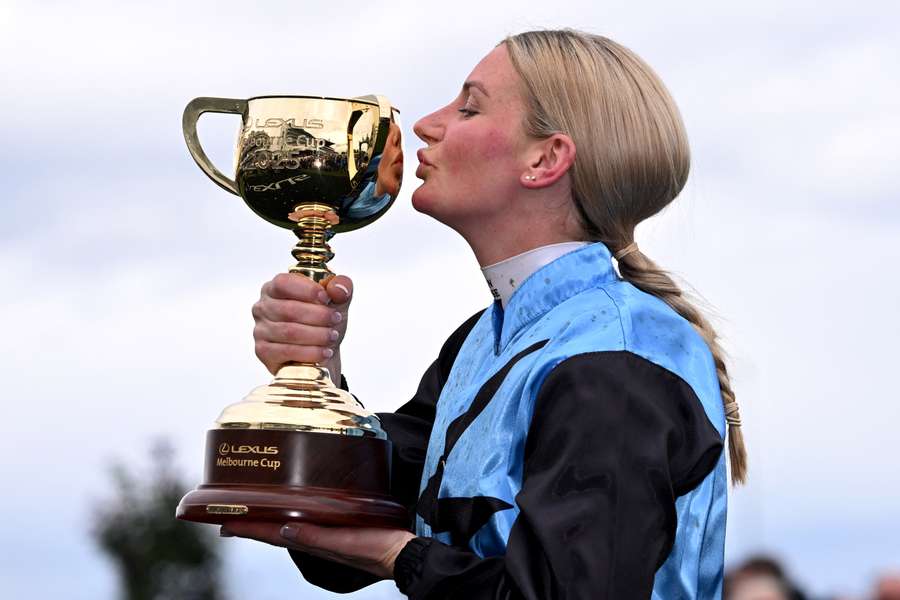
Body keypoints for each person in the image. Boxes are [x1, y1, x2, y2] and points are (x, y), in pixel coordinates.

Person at [222, 29, 748, 599]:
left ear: (545, 159)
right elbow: (352, 526)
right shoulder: (480, 341)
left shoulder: (615, 357)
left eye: (469, 107)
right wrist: (314, 373)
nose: (427, 124)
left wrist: (402, 557)